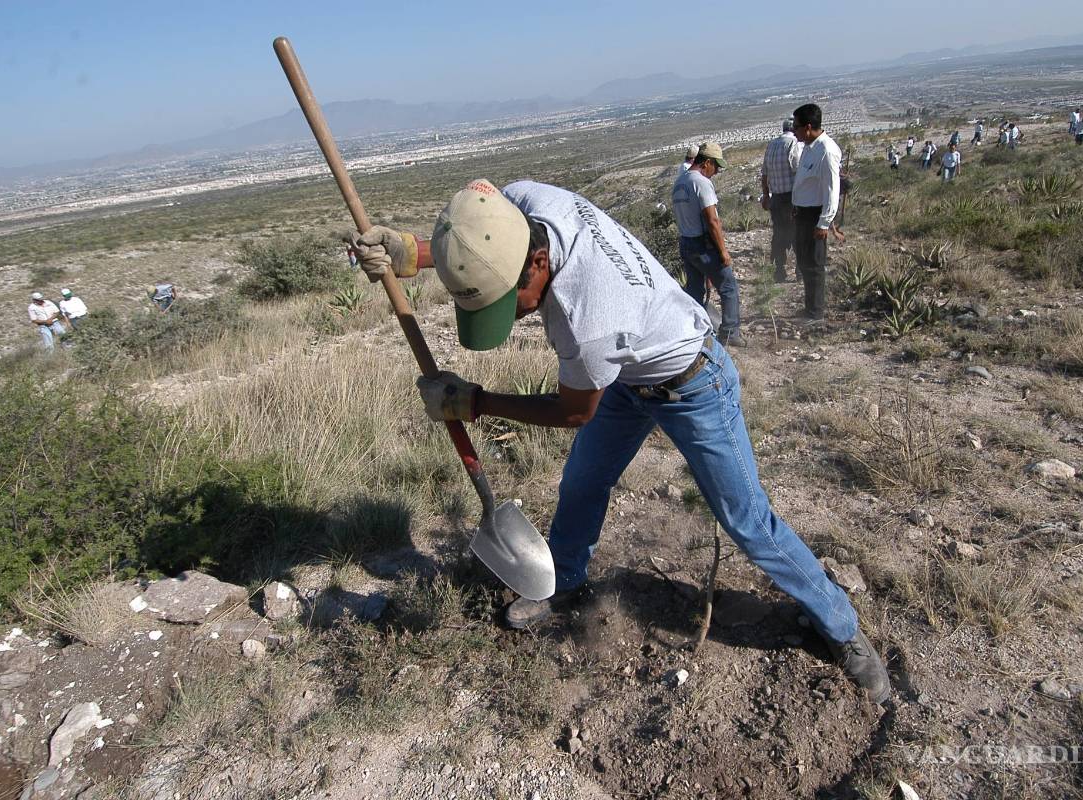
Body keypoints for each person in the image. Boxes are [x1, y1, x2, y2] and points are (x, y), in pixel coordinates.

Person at [346, 178, 892, 704]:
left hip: (692, 382)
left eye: (509, 300)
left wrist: (475, 402)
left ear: (537, 263)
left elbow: (572, 411)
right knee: (583, 480)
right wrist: (413, 253)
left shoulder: (590, 322)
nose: (509, 314)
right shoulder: (521, 202)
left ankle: (842, 629)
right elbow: (484, 233)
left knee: (747, 520)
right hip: (631, 376)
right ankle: (565, 580)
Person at [672, 142, 743, 346]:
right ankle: (730, 333)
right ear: (707, 163)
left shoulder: (680, 182)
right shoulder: (700, 182)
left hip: (686, 243)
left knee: (694, 291)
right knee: (728, 287)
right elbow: (712, 220)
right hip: (703, 245)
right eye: (716, 166)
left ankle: (694, 332)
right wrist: (723, 252)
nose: (717, 171)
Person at [791, 103, 841, 322]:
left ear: (808, 127)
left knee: (814, 265)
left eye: (797, 126)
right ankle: (809, 307)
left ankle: (816, 312)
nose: (794, 130)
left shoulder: (827, 151)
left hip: (814, 216)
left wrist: (824, 222)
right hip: (801, 214)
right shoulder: (809, 148)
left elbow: (832, 189)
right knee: (804, 262)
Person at [759, 118, 803, 283]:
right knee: (797, 233)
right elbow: (798, 171)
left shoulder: (771, 145)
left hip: (776, 199)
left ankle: (779, 271)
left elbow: (764, 175)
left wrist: (765, 195)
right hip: (792, 197)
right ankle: (800, 271)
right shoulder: (793, 144)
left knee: (779, 234)